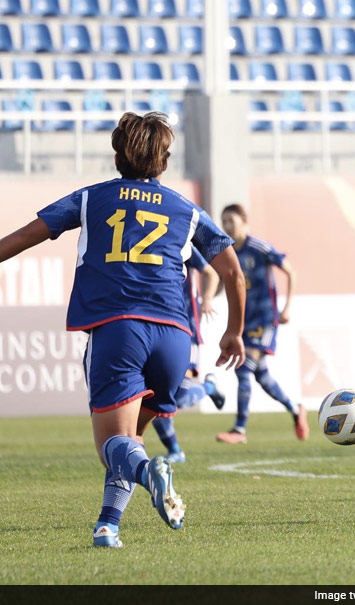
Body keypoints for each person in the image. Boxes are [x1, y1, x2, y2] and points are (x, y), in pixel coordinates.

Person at [0, 112, 246, 547]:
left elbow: (24, 237)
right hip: (174, 336)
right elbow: (233, 274)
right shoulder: (187, 210)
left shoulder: (91, 198)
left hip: (119, 330)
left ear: (117, 155)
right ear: (164, 162)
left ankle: (153, 475)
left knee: (112, 447)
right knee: (131, 440)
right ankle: (107, 526)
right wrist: (234, 332)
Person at [216, 204, 309, 444]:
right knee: (262, 377)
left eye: (231, 221)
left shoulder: (259, 248)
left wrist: (287, 307)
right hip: (244, 322)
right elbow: (224, 280)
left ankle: (239, 429)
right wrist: (206, 297)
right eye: (223, 221)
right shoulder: (228, 253)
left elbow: (290, 271)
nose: (227, 226)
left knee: (243, 368)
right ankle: (296, 410)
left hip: (265, 319)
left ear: (244, 221)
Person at [151, 246, 227, 464]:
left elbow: (211, 273)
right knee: (154, 398)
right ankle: (175, 451)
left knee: (180, 396)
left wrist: (208, 300)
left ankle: (207, 387)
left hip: (187, 331)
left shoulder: (182, 241)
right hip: (155, 329)